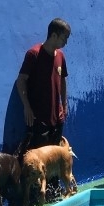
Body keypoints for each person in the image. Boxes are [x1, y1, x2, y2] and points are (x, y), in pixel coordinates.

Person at [15, 18, 71, 151]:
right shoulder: (34, 54)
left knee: (54, 157)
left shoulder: (61, 56)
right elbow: (21, 81)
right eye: (64, 38)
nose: (66, 42)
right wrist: (26, 106)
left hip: (57, 119)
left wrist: (64, 104)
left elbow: (62, 80)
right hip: (38, 120)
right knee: (38, 161)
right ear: (53, 35)